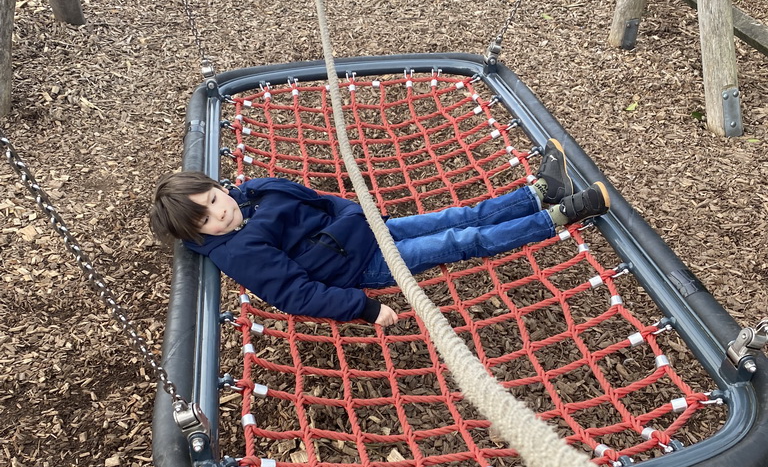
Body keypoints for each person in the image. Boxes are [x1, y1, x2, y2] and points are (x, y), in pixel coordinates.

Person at [150, 140, 610, 327]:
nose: (220, 213)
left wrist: (353, 212)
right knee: (460, 241)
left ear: (217, 186)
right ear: (200, 234)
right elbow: (295, 294)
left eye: (213, 199)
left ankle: (540, 193)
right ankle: (558, 217)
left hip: (366, 229)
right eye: (206, 219)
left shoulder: (251, 194)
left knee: (458, 215)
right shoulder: (239, 251)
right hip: (362, 263)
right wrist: (364, 308)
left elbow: (317, 199)